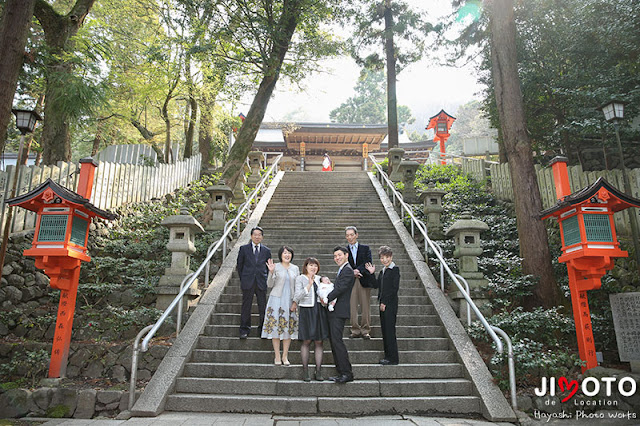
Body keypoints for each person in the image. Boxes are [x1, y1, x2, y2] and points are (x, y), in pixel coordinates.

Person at [292, 257, 329, 382]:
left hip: (319, 311)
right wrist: (308, 284)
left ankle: (318, 371)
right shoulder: (300, 278)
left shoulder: (320, 279)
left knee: (319, 342)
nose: (313, 268)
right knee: (306, 341)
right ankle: (305, 370)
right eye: (311, 265)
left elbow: (326, 293)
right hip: (306, 311)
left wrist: (325, 301)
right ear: (306, 266)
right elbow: (297, 296)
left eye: (315, 266)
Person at [263, 246, 299, 365]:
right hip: (276, 300)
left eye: (289, 253)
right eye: (284, 253)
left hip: (290, 300)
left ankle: (285, 356)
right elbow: (269, 284)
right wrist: (271, 272)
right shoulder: (276, 267)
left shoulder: (295, 268)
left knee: (288, 328)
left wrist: (295, 301)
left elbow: (298, 287)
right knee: (275, 327)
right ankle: (277, 356)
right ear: (280, 255)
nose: (287, 255)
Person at [324, 246, 355, 383]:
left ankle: (346, 373)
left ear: (346, 255)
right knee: (334, 341)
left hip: (340, 311)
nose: (337, 258)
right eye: (335, 256)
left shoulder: (348, 270)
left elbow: (341, 288)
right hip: (335, 310)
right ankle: (340, 371)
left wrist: (326, 298)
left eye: (339, 255)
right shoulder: (342, 269)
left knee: (337, 341)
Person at [365, 245, 400, 365]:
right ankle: (387, 356)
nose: (384, 260)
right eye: (382, 258)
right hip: (382, 304)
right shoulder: (383, 271)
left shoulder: (395, 270)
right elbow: (376, 285)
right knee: (385, 331)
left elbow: (394, 289)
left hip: (390, 304)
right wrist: (371, 273)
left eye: (387, 257)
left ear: (391, 257)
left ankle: (393, 358)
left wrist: (385, 302)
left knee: (390, 331)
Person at [236, 226, 272, 339]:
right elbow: (240, 266)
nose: (257, 236)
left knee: (263, 306)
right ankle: (244, 330)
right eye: (255, 234)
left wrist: (265, 278)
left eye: (259, 235)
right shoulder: (244, 249)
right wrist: (244, 279)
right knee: (246, 306)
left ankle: (262, 330)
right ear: (251, 236)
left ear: (262, 237)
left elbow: (268, 267)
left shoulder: (266, 251)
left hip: (261, 281)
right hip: (248, 281)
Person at [345, 226, 374, 339]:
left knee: (365, 305)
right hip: (351, 280)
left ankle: (365, 329)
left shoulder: (365, 248)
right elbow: (343, 264)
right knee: (352, 306)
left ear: (356, 235)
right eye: (347, 235)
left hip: (363, 279)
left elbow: (368, 262)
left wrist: (358, 270)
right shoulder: (344, 251)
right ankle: (355, 329)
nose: (350, 237)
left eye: (352, 235)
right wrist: (352, 272)